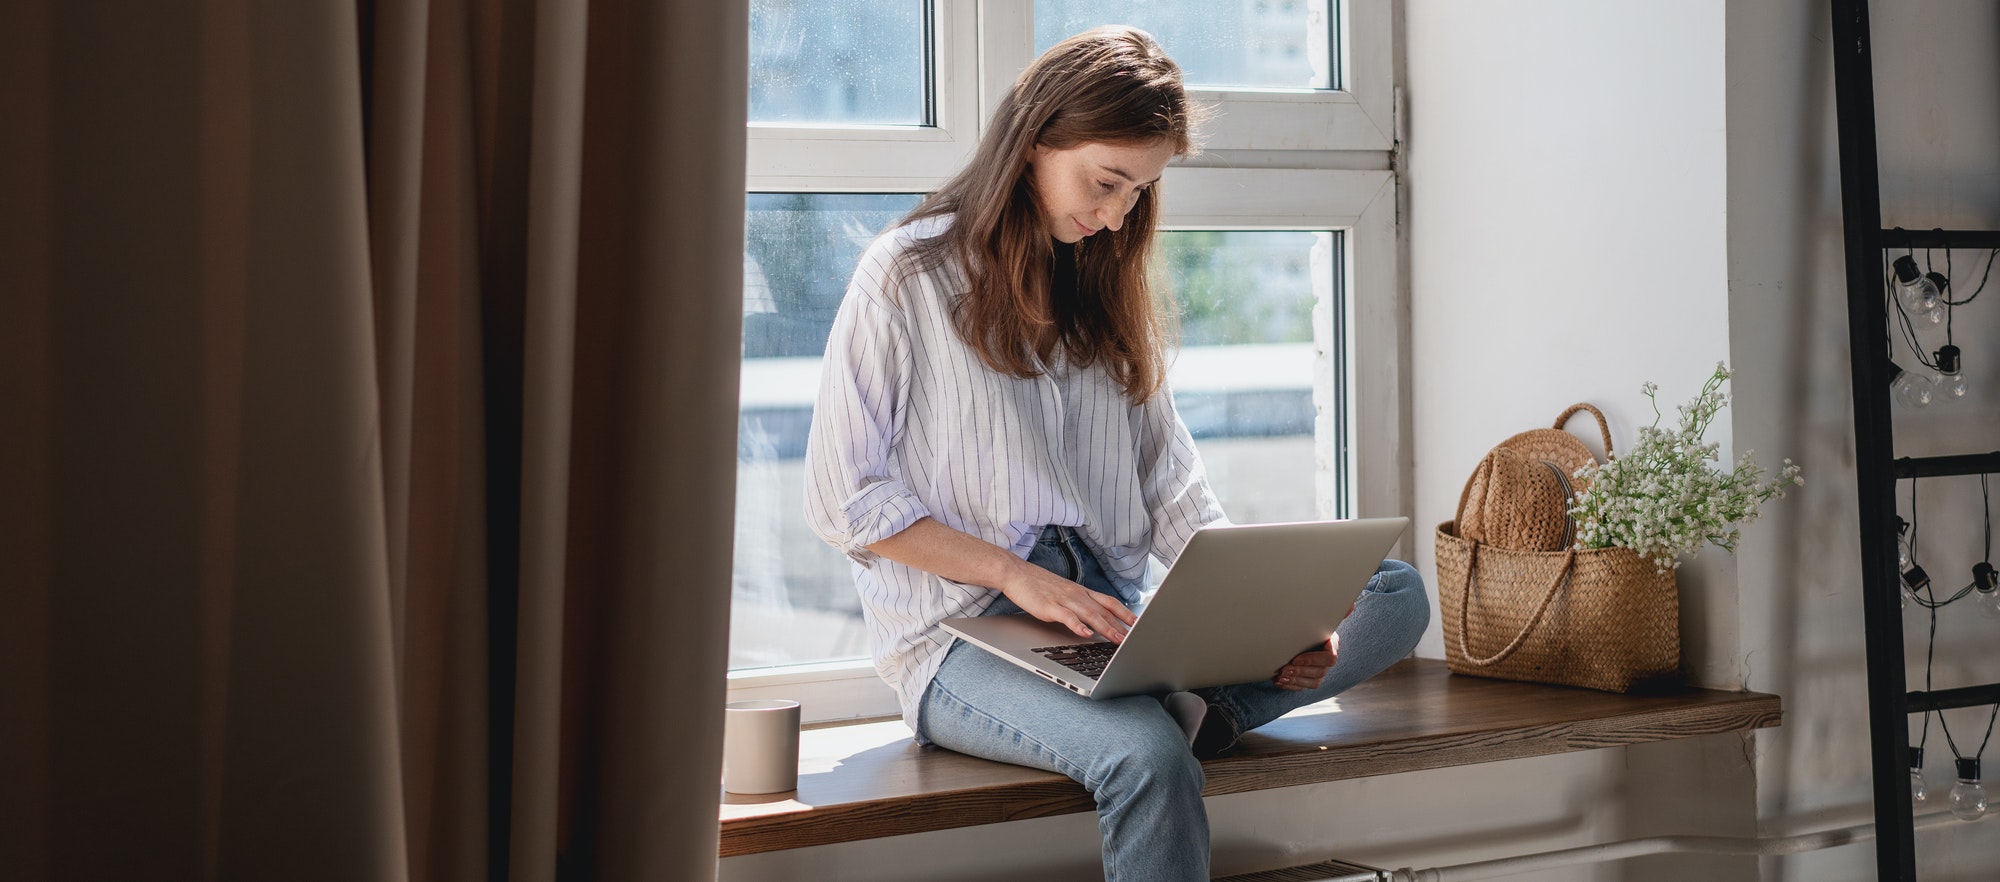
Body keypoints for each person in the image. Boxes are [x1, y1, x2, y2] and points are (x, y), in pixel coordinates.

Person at [803, 26, 1429, 881]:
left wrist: (1277, 615)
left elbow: (1175, 494)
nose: (1116, 215)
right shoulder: (907, 276)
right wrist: (1018, 576)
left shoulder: (1105, 292)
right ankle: (1184, 716)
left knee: (1391, 594)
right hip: (960, 639)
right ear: (1035, 141)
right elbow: (844, 499)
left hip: (1117, 623)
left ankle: (1187, 698)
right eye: (1105, 183)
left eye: (1139, 191)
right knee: (1149, 760)